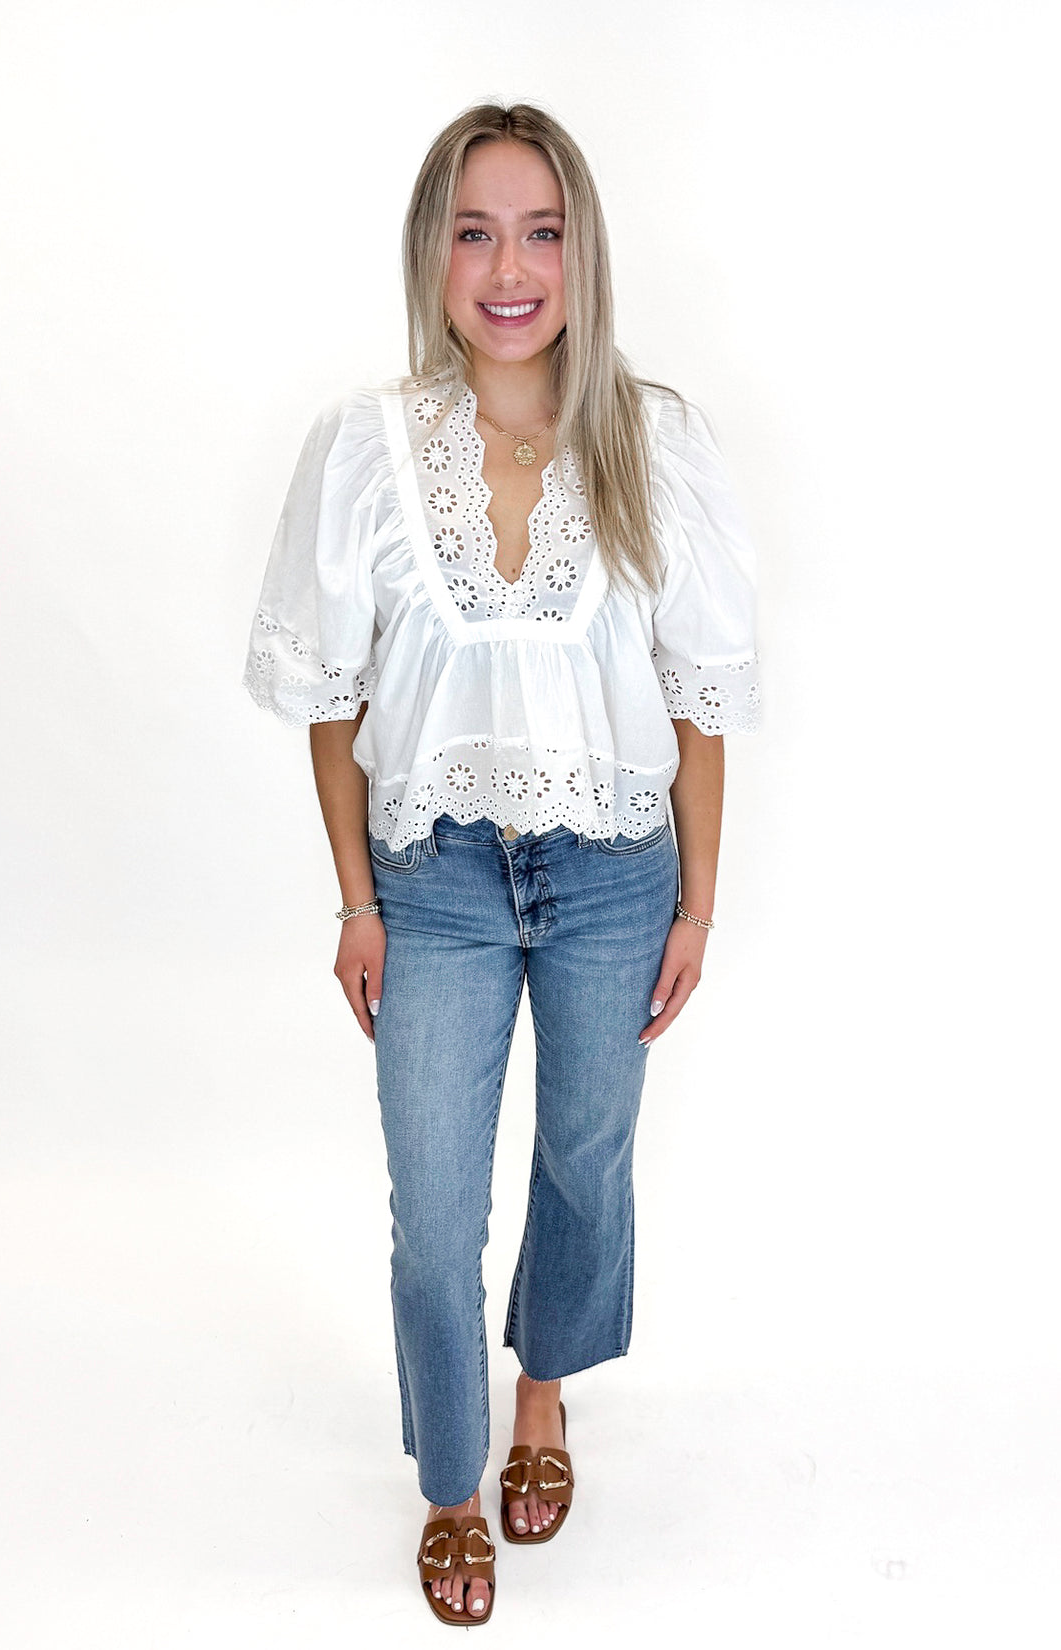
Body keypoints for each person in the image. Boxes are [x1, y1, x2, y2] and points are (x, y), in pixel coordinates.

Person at [243, 100, 760, 1625]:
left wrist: (699, 901)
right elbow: (332, 703)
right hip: (438, 878)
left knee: (587, 1158)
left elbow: (700, 691)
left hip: (613, 868)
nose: (509, 264)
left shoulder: (651, 440)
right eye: (475, 230)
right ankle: (454, 1481)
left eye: (540, 229)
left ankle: (545, 1392)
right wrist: (354, 894)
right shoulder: (368, 452)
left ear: (582, 252)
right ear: (435, 254)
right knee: (432, 1195)